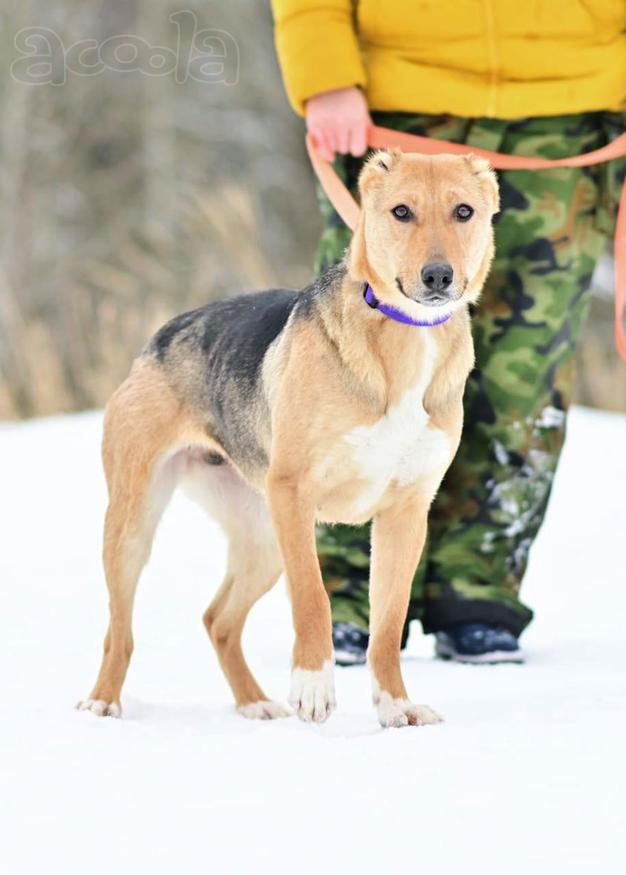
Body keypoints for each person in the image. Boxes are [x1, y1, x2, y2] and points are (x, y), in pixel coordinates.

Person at [269, 0, 626, 665]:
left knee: (527, 365)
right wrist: (323, 72)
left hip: (570, 111)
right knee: (351, 364)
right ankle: (343, 596)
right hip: (394, 101)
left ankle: (479, 592)